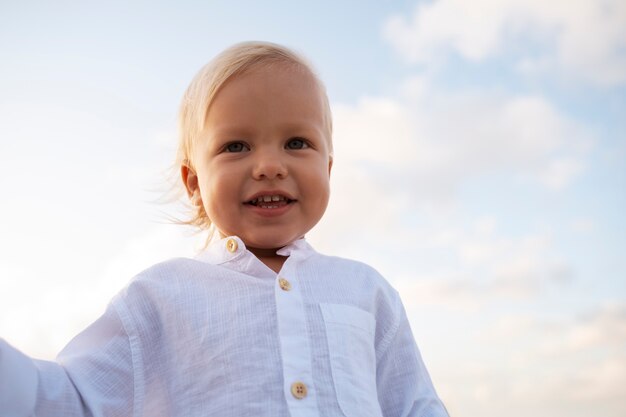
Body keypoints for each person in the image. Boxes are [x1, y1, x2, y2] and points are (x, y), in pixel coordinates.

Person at [0, 41, 448, 417]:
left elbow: (417, 407)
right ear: (194, 182)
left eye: (297, 143)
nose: (270, 166)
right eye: (236, 146)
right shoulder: (160, 297)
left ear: (328, 166)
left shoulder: (368, 293)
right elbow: (71, 399)